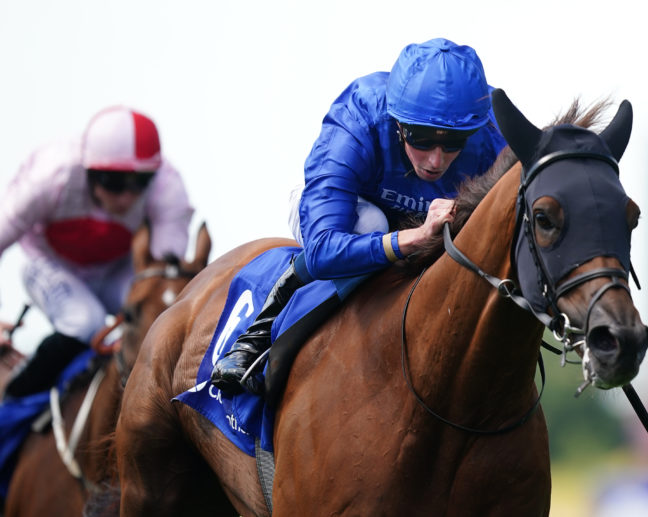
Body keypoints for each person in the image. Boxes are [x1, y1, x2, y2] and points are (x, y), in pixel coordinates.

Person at [211, 38, 507, 396]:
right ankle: (258, 341)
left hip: (426, 219)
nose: (435, 160)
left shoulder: (490, 132)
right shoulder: (358, 116)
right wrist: (411, 237)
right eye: (422, 139)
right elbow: (322, 250)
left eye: (453, 143)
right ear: (398, 124)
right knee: (371, 225)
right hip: (347, 213)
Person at [0, 106, 194, 398]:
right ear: (89, 169)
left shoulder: (167, 188)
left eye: (140, 182)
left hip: (115, 271)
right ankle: (12, 397)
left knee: (156, 315)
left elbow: (163, 276)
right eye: (114, 182)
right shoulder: (53, 174)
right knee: (84, 321)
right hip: (49, 264)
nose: (127, 197)